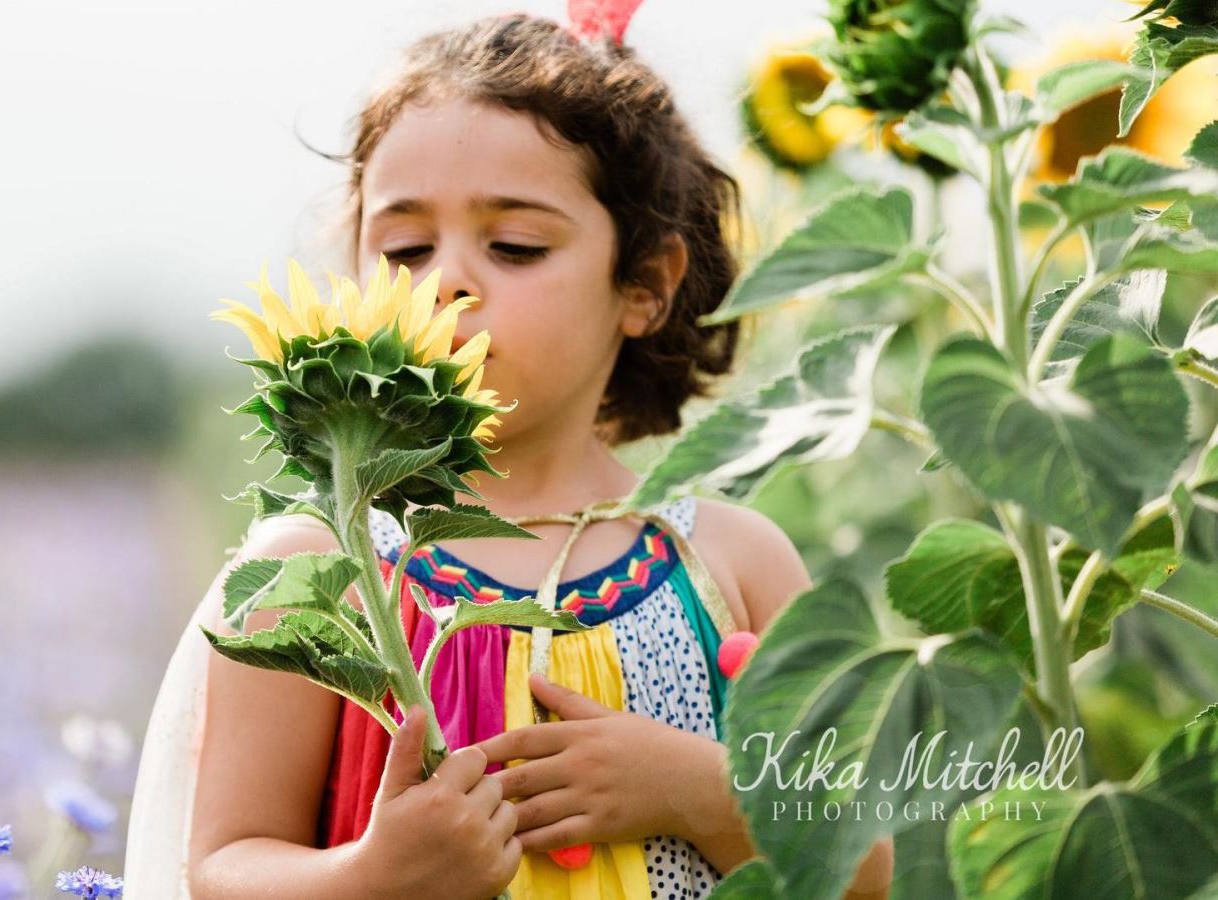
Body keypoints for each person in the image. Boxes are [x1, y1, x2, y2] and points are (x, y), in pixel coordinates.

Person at [126, 11, 894, 899]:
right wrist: (375, 875)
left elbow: (866, 872)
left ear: (645, 285)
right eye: (404, 248)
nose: (446, 280)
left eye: (515, 246)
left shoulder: (734, 563)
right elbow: (222, 867)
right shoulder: (319, 572)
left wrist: (701, 790)